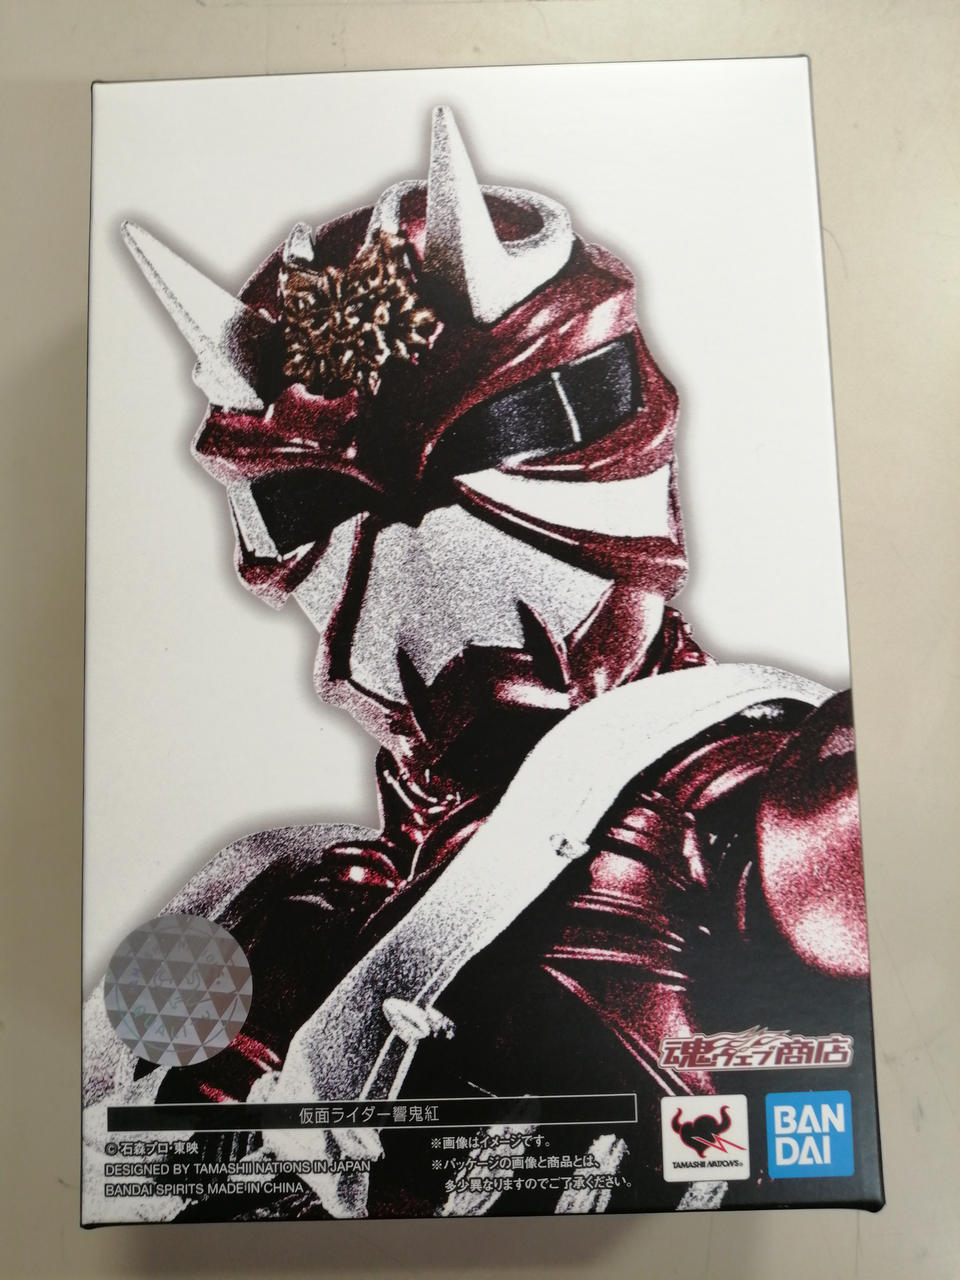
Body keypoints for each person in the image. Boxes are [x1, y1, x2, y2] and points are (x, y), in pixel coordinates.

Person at [83, 107, 873, 1221]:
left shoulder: (786, 808)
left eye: (495, 438)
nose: (417, 543)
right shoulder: (272, 905)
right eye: (313, 504)